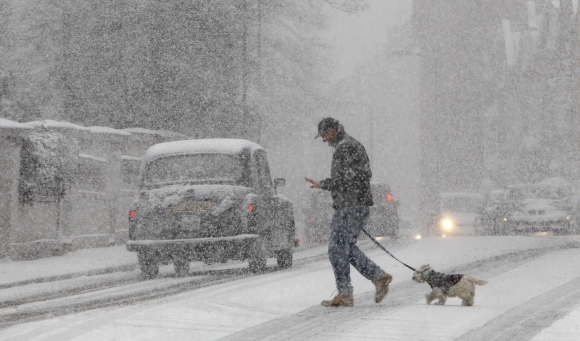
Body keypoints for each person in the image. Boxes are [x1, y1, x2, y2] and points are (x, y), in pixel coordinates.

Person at [305, 117, 392, 307]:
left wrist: (324, 184)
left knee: (336, 248)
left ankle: (345, 293)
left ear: (333, 131)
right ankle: (378, 277)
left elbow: (346, 179)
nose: (323, 139)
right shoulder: (350, 145)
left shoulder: (345, 147)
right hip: (356, 205)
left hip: (350, 206)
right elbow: (358, 176)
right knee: (346, 247)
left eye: (324, 135)